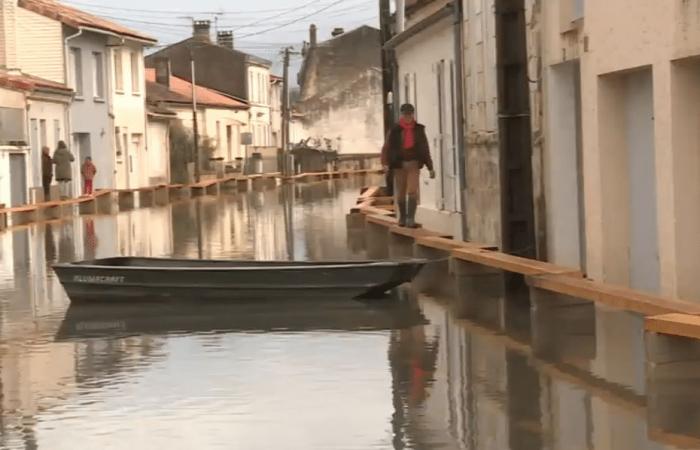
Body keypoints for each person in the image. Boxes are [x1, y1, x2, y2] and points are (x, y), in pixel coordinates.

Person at [381, 104, 435, 227]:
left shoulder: (419, 129)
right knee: (401, 192)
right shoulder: (395, 130)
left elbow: (425, 148)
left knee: (412, 190)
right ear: (402, 115)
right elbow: (386, 148)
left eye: (410, 114)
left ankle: (410, 219)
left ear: (413, 114)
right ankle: (402, 218)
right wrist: (385, 163)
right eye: (405, 114)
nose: (408, 117)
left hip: (414, 163)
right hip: (399, 164)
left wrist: (430, 167)